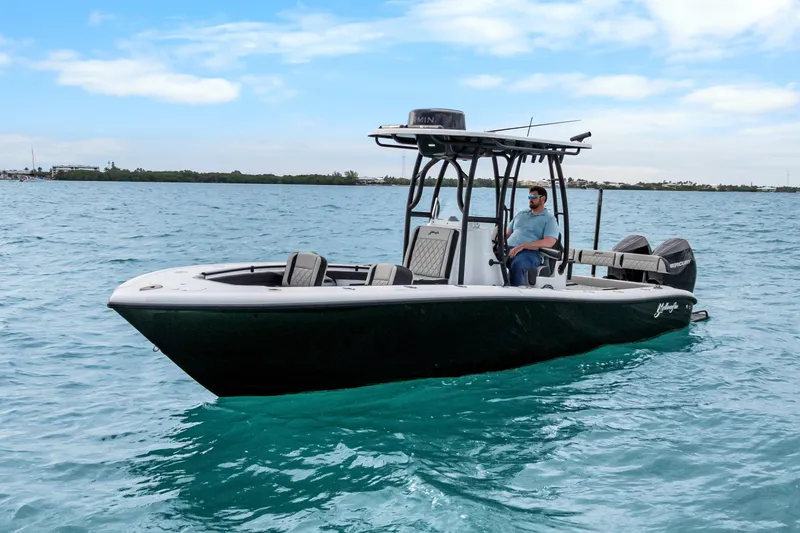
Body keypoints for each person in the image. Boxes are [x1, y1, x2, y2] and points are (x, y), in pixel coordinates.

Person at [505, 186, 560, 286]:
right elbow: (507, 233)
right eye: (529, 197)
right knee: (488, 259)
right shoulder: (521, 214)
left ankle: (516, 297)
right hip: (508, 249)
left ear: (542, 199)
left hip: (530, 253)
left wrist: (522, 246)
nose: (530, 199)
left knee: (518, 265)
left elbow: (549, 242)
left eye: (533, 197)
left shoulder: (549, 219)